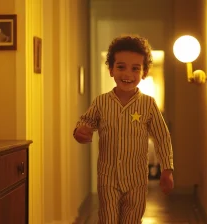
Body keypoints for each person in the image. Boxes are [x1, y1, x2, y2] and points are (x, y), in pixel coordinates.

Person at [73, 35, 174, 223]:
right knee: (108, 219)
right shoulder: (101, 102)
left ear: (143, 73)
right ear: (111, 69)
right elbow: (85, 123)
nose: (127, 74)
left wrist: (167, 169)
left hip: (136, 180)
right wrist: (81, 132)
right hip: (107, 178)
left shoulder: (148, 105)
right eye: (121, 67)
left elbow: (162, 137)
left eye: (135, 68)